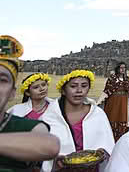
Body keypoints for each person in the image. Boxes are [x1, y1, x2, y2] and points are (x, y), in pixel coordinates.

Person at [0, 35, 60, 171]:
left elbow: (50, 145)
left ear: (12, 93)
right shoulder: (17, 110)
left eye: (2, 80)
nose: (41, 89)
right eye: (36, 87)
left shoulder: (25, 126)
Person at [40, 69, 115, 172]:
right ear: (63, 90)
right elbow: (43, 151)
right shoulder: (50, 117)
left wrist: (103, 152)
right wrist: (55, 161)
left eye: (84, 86)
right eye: (73, 86)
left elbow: (108, 144)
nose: (79, 90)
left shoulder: (97, 114)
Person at [96, 62, 129, 140]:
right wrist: (100, 101)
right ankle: (110, 137)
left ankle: (120, 138)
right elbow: (107, 90)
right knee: (112, 118)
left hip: (123, 102)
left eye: (124, 68)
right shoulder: (112, 78)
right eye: (121, 68)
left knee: (123, 119)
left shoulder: (127, 79)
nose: (123, 69)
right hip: (113, 102)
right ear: (118, 69)